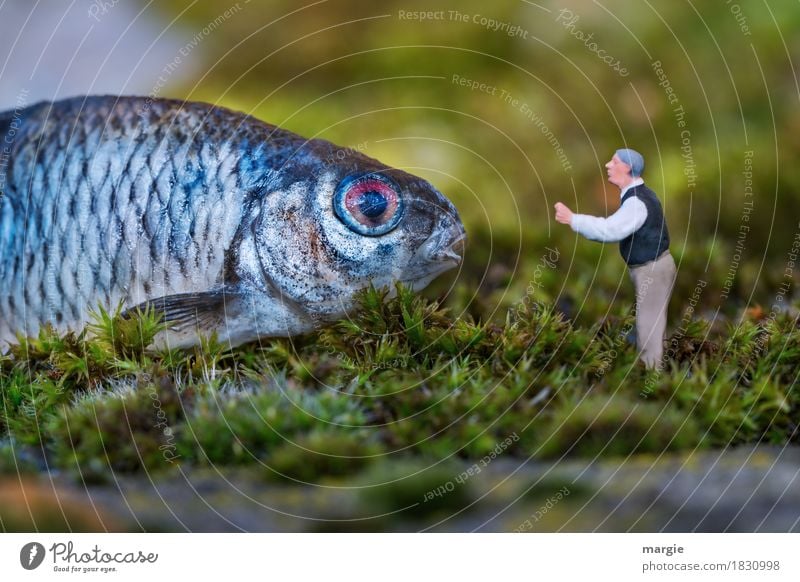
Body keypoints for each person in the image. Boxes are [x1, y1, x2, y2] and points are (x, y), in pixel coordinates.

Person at [554, 149, 676, 369]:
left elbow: (610, 230)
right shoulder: (642, 195)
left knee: (649, 323)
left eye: (615, 162)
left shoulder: (636, 203)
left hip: (652, 268)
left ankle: (652, 377)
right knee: (652, 319)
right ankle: (656, 365)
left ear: (628, 168)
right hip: (651, 266)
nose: (608, 165)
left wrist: (573, 219)